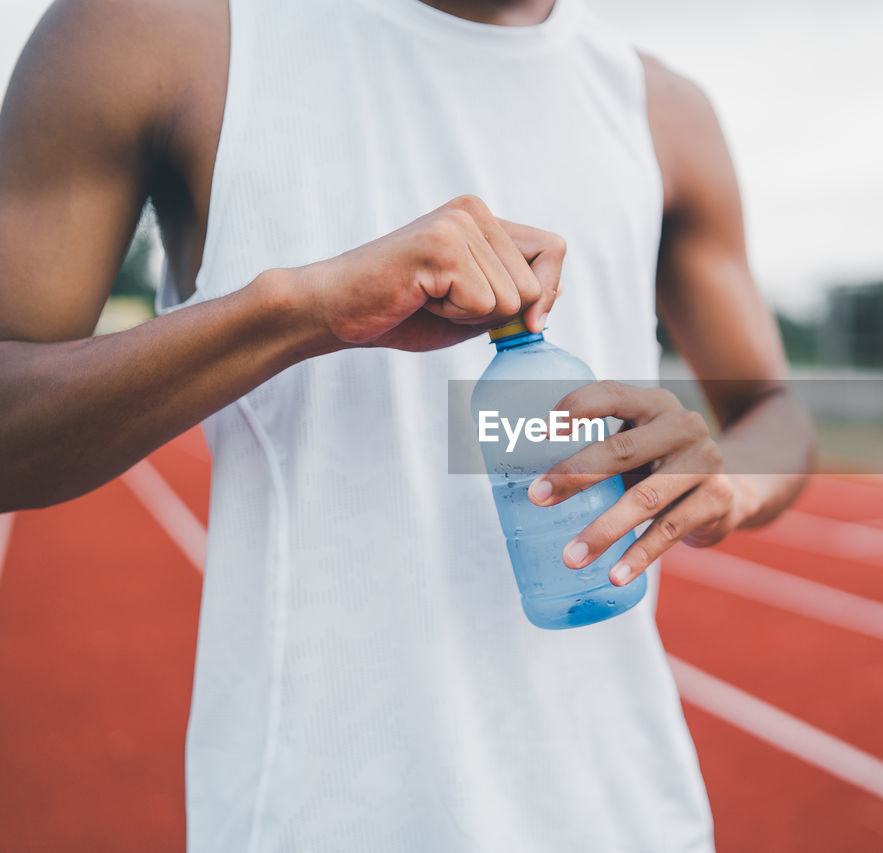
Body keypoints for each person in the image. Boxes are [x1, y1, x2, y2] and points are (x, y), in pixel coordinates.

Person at [0, 0, 812, 849]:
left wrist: (730, 481)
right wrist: (302, 310)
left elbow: (770, 408)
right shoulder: (160, 31)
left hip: (634, 816)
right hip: (321, 821)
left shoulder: (663, 109)